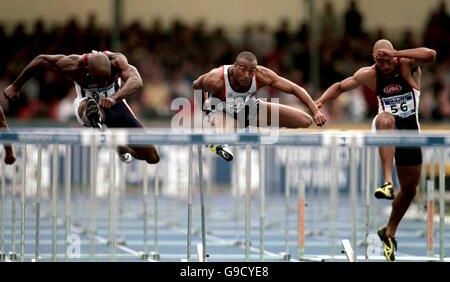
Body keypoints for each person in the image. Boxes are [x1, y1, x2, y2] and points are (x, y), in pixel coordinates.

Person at [316, 39, 436, 262]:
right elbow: (341, 86)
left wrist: (395, 53)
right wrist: (319, 103)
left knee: (410, 190)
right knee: (386, 119)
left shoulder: (407, 64)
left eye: (388, 60)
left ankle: (389, 232)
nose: (386, 66)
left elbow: (431, 54)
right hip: (384, 127)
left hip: (410, 132)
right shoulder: (369, 74)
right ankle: (387, 182)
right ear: (374, 60)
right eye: (380, 62)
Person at [3, 51, 160, 165]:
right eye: (98, 81)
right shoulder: (74, 65)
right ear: (88, 72)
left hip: (116, 104)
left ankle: (122, 149)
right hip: (86, 105)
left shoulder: (118, 62)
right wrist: (16, 86)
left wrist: (114, 98)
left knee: (153, 158)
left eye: (105, 80)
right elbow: (40, 60)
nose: (101, 85)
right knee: (91, 107)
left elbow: (137, 81)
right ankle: (96, 119)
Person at [193, 51, 326, 161]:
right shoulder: (216, 79)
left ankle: (272, 126)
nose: (247, 75)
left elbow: (294, 88)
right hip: (223, 112)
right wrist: (207, 110)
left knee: (305, 120)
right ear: (234, 67)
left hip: (249, 108)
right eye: (243, 70)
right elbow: (196, 85)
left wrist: (315, 111)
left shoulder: (261, 75)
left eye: (251, 71)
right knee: (223, 130)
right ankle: (216, 142)